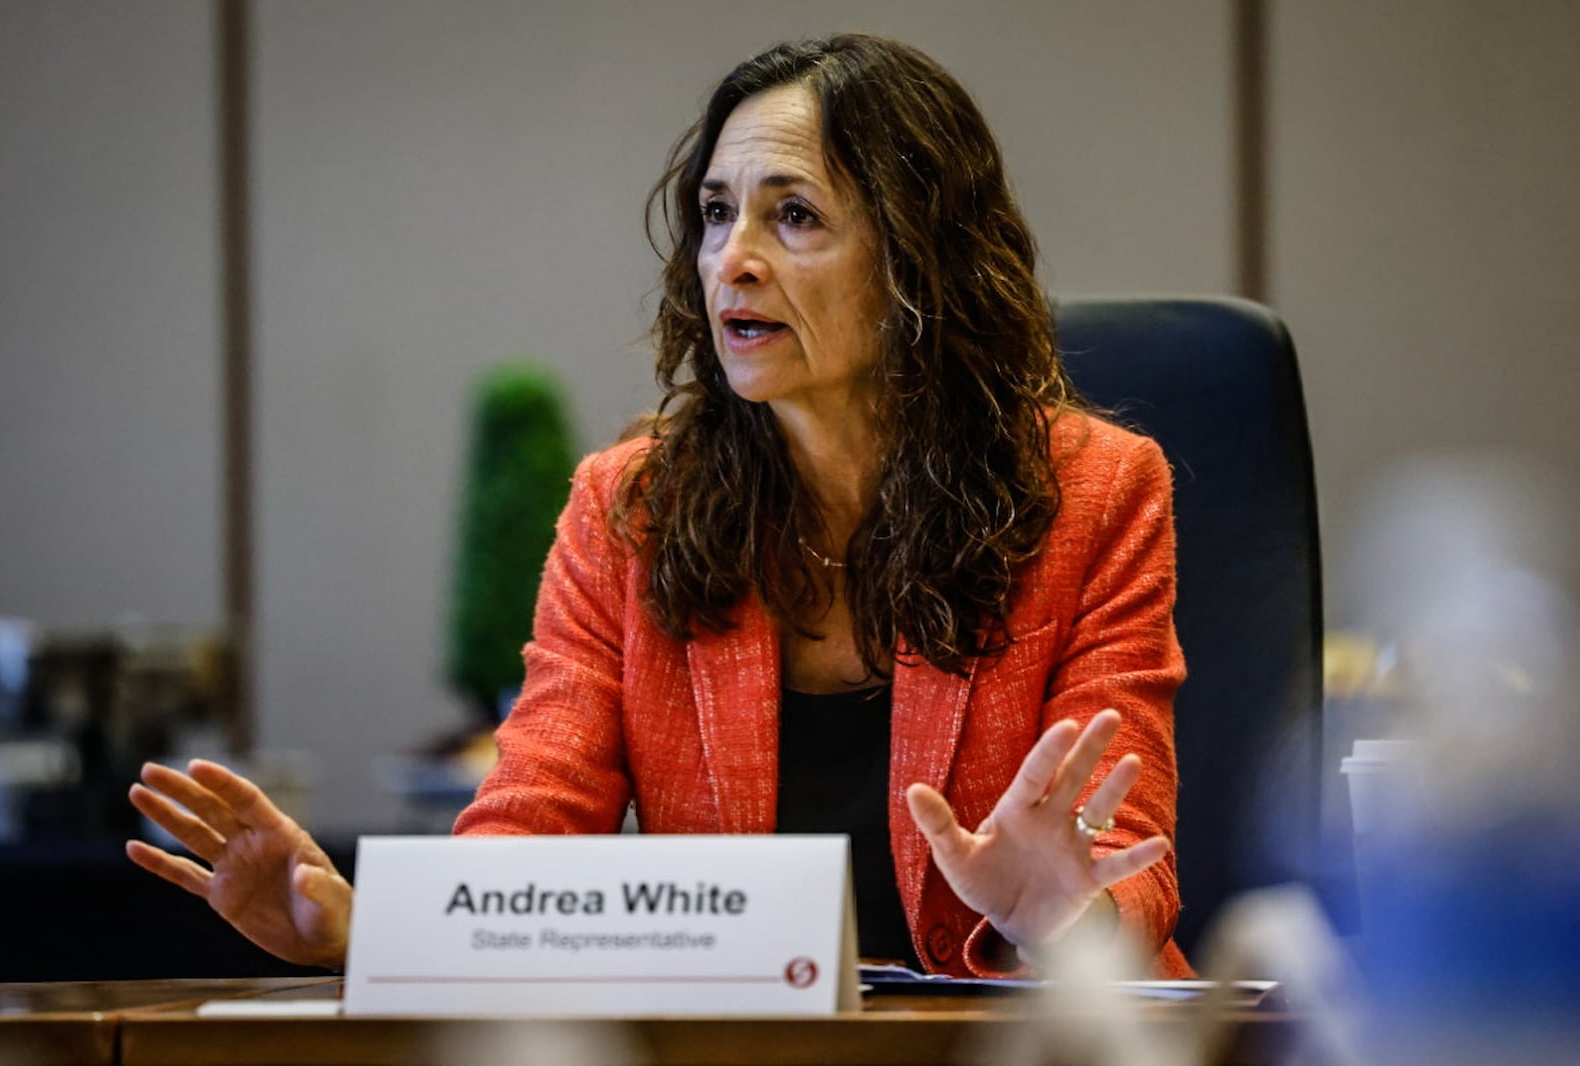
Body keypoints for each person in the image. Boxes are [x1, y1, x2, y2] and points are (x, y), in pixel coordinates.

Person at [128, 33, 1188, 979]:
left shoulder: (1092, 495)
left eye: (795, 215)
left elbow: (1129, 858)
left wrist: (1063, 918)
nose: (733, 259)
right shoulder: (630, 511)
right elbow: (529, 828)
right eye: (716, 213)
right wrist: (368, 933)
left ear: (920, 259)